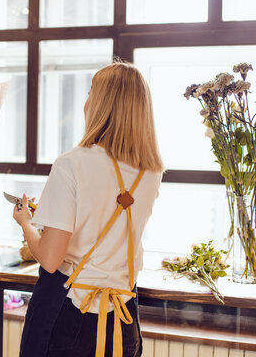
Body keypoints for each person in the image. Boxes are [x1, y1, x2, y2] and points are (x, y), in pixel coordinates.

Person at [13, 60, 164, 357]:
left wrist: (26, 223)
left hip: (70, 316)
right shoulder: (152, 170)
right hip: (123, 320)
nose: (85, 102)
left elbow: (50, 259)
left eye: (90, 92)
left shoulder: (72, 164)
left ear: (102, 104)